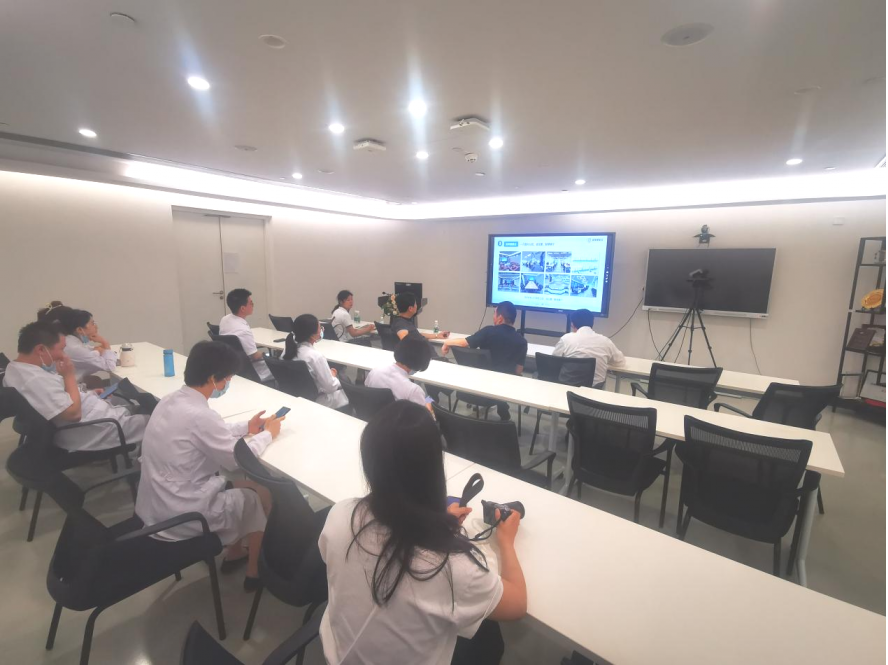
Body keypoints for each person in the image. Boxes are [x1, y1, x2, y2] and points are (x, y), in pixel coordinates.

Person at [319, 401, 526, 664]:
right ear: (434, 468)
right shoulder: (450, 566)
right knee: (489, 636)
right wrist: (506, 541)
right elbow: (517, 605)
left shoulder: (341, 512)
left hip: (337, 652)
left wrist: (433, 521)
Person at [134, 340, 285, 591]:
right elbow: (237, 460)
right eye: (227, 379)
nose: (228, 384)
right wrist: (268, 434)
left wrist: (246, 427)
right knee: (258, 496)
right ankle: (254, 572)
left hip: (158, 503)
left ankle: (235, 552)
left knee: (248, 487)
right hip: (183, 513)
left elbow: (209, 431)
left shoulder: (170, 400)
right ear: (214, 379)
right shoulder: (201, 415)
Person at [3, 321, 148, 452]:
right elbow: (73, 414)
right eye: (62, 349)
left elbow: (57, 396)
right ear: (41, 349)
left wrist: (89, 394)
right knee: (155, 421)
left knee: (140, 408)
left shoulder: (15, 368)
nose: (64, 355)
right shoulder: (34, 380)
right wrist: (69, 375)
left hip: (93, 416)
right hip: (94, 428)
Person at [441, 301, 527, 421]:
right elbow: (518, 371)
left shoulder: (488, 331)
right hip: (504, 389)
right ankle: (502, 408)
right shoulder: (522, 342)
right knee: (502, 378)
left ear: (500, 318)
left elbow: (464, 343)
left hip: (480, 385)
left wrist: (447, 342)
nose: (493, 317)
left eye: (494, 314)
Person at [284, 314, 349, 411]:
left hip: (296, 397)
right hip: (318, 400)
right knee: (347, 388)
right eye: (320, 328)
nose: (322, 330)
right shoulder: (315, 357)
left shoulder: (286, 351)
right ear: (312, 335)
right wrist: (333, 375)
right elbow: (330, 387)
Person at [552, 308, 625, 388]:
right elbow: (620, 362)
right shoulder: (605, 341)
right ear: (592, 322)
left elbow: (554, 360)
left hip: (566, 388)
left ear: (572, 324)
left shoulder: (566, 339)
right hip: (594, 390)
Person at [365, 338, 434, 413]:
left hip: (373, 415)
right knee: (429, 400)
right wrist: (429, 404)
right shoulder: (414, 390)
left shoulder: (374, 371)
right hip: (400, 419)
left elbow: (366, 391)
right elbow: (421, 415)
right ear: (422, 362)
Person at [219, 288, 273, 382]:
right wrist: (269, 356)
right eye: (251, 303)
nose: (253, 305)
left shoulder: (225, 319)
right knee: (280, 365)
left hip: (233, 366)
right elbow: (255, 356)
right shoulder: (244, 331)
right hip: (254, 370)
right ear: (243, 308)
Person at [56, 308, 118, 382]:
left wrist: (99, 351)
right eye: (92, 323)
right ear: (79, 329)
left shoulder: (71, 341)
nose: (96, 327)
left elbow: (93, 350)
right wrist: (105, 343)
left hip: (72, 382)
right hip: (70, 386)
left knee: (96, 380)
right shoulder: (75, 348)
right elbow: (110, 366)